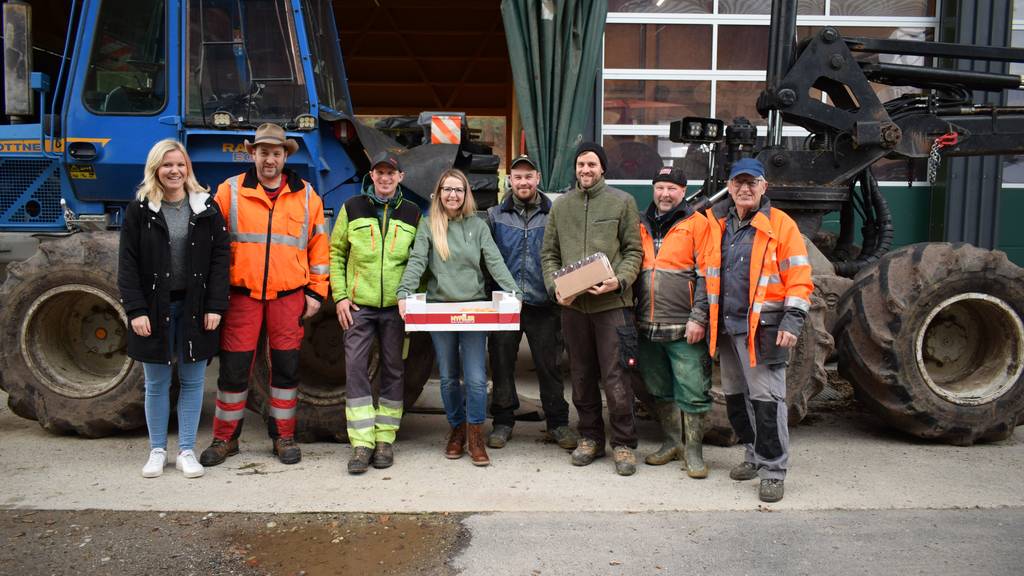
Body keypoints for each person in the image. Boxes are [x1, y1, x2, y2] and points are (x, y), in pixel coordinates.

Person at [199, 123, 330, 467]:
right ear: (251, 153)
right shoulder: (230, 192)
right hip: (242, 296)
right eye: (263, 152)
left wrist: (316, 292)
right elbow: (212, 245)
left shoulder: (305, 196)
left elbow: (319, 247)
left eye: (276, 153)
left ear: (285, 156)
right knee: (234, 370)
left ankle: (283, 437)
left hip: (288, 296)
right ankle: (225, 439)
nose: (269, 159)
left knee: (286, 370)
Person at [118, 139, 230, 479]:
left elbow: (220, 261)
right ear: (155, 169)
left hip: (194, 307)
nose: (174, 171)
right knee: (157, 382)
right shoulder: (140, 209)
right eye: (167, 165)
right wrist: (136, 310)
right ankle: (156, 451)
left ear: (188, 169)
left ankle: (185, 451)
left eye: (180, 165)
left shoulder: (205, 207)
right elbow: (128, 265)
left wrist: (215, 305)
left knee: (193, 380)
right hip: (155, 308)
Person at [705, 157, 813, 503]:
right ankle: (753, 455)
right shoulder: (719, 225)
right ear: (730, 186)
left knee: (768, 402)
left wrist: (792, 321)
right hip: (728, 328)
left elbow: (799, 277)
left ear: (764, 187)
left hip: (764, 329)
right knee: (738, 401)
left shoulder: (781, 226)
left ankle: (773, 470)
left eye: (752, 183)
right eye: (739, 182)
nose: (745, 188)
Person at [397, 169, 518, 467]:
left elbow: (494, 261)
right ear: (439, 194)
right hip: (440, 311)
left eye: (458, 190)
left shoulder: (478, 227)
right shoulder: (429, 226)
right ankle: (457, 428)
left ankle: (476, 431)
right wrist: (404, 292)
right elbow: (416, 262)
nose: (453, 195)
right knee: (449, 377)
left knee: (476, 379)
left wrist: (515, 293)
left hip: (474, 312)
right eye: (447, 189)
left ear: (466, 195)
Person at [540, 142, 644, 476]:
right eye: (581, 164)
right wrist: (556, 289)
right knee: (581, 375)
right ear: (576, 169)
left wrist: (620, 281)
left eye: (592, 164)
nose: (586, 170)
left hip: (612, 305)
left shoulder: (622, 202)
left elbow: (633, 252)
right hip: (574, 308)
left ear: (603, 169)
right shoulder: (561, 207)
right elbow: (549, 255)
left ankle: (624, 443)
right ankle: (590, 438)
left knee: (616, 376)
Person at [330, 151, 420, 475]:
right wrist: (340, 296)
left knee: (394, 370)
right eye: (379, 173)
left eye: (391, 173)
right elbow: (337, 252)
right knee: (356, 368)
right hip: (359, 307)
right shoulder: (352, 208)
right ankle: (361, 443)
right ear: (372, 175)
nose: (385, 178)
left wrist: (411, 299)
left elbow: (417, 261)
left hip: (395, 310)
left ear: (401, 178)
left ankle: (385, 439)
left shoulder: (412, 213)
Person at [484, 155, 578, 451]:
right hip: (505, 305)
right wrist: (491, 296)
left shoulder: (555, 214)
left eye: (528, 176)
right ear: (509, 181)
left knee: (549, 366)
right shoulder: (495, 216)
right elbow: (487, 260)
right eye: (517, 177)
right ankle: (502, 422)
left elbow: (564, 255)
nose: (523, 182)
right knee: (501, 364)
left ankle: (558, 423)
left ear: (538, 179)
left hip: (544, 304)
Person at [635, 167, 712, 478]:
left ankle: (694, 451)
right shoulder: (640, 223)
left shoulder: (697, 224)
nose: (665, 194)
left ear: (684, 191)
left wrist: (699, 317)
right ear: (654, 189)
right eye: (660, 187)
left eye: (672, 188)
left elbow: (708, 276)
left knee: (693, 389)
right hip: (646, 324)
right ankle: (672, 443)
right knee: (659, 388)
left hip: (684, 326)